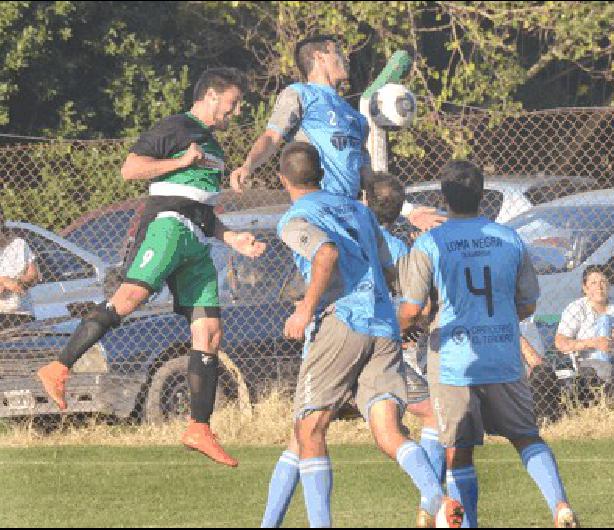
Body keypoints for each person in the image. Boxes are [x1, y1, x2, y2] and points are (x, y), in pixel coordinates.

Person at [36, 68, 267, 467]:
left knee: (209, 332)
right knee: (129, 299)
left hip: (196, 238)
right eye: (234, 101)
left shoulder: (214, 145)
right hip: (168, 227)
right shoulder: (177, 127)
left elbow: (203, 208)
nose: (238, 109)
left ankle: (199, 427)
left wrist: (232, 238)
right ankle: (58, 367)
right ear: (211, 95)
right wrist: (179, 159)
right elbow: (131, 169)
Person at [261, 142, 462, 529]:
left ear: (282, 178)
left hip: (341, 323)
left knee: (310, 429)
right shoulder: (359, 210)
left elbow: (326, 255)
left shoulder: (294, 217)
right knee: (386, 431)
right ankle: (437, 500)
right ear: (320, 171)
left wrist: (304, 310)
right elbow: (388, 269)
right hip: (383, 325)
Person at [398, 160, 577, 528]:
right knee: (527, 437)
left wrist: (402, 327)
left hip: (454, 361)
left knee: (458, 454)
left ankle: (467, 524)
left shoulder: (431, 242)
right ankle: (559, 505)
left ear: (443, 197)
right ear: (482, 196)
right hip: (502, 355)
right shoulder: (508, 238)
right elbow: (528, 302)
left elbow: (413, 306)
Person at [229, 35, 443, 230]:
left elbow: (368, 179)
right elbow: (271, 137)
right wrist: (248, 164)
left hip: (349, 213)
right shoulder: (300, 94)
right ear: (319, 57)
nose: (345, 58)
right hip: (317, 211)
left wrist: (407, 210)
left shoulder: (355, 117)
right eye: (338, 52)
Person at [366, 173, 448, 526]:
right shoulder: (400, 250)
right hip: (382, 348)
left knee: (306, 436)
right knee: (430, 416)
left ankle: (431, 503)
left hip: (338, 342)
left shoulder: (351, 235)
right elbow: (421, 307)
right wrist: (407, 325)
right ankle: (430, 502)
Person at [554, 266, 614, 403]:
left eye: (603, 282)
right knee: (605, 371)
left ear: (608, 285)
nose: (599, 287)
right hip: (589, 359)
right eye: (593, 283)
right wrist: (593, 343)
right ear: (585, 288)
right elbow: (560, 342)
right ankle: (608, 406)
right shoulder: (576, 308)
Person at [0, 208, 39, 329]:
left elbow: (34, 275)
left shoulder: (19, 244)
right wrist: (3, 281)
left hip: (22, 314)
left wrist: (18, 282)